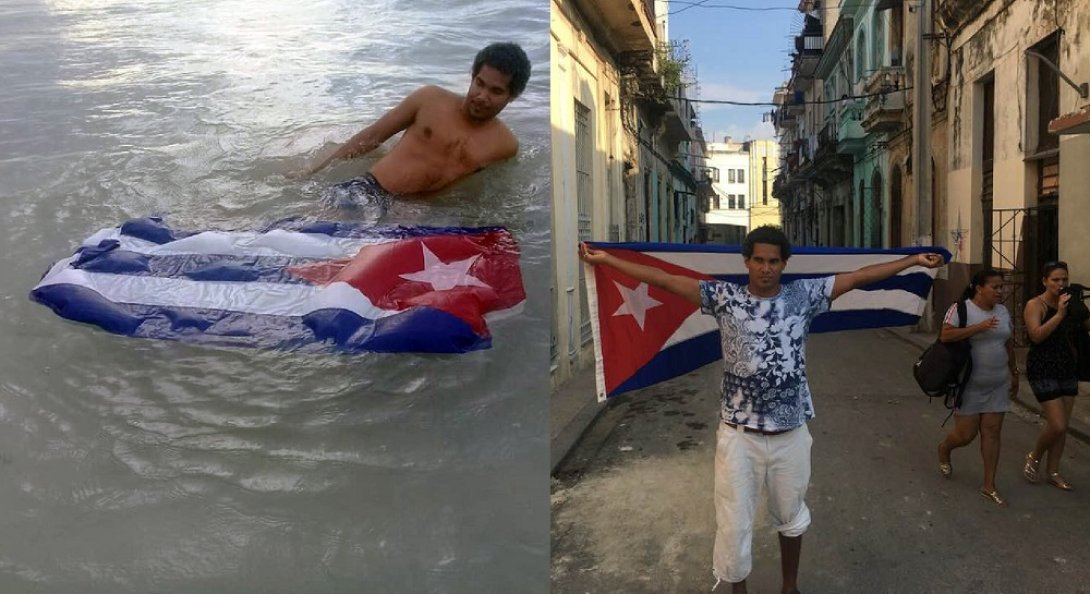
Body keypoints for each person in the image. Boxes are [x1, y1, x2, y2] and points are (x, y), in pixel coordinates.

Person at [579, 226, 944, 594]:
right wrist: (609, 260)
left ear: (784, 264)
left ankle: (790, 587)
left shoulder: (805, 295)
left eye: (773, 261)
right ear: (747, 262)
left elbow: (860, 277)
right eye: (759, 260)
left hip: (791, 435)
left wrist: (912, 260)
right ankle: (739, 591)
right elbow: (666, 279)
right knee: (734, 523)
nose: (766, 268)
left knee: (791, 516)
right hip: (739, 437)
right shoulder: (724, 297)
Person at [300, 42, 530, 214]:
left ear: (513, 96)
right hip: (367, 191)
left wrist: (424, 210)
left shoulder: (505, 145)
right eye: (479, 83)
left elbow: (470, 188)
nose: (482, 96)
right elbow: (372, 136)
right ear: (472, 77)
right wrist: (313, 172)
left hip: (415, 213)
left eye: (495, 91)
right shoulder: (430, 99)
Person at [935, 269, 1017, 507]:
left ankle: (989, 484)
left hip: (998, 383)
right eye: (996, 287)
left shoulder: (1002, 311)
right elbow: (946, 336)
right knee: (965, 435)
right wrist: (978, 327)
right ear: (979, 288)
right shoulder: (961, 308)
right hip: (967, 386)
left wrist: (1014, 372)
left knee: (992, 433)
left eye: (1002, 287)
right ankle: (944, 449)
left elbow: (1008, 342)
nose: (1001, 291)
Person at [1022, 261, 1090, 491]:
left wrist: (1080, 307)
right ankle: (1034, 456)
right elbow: (1036, 336)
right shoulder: (1035, 305)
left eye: (1064, 280)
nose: (1061, 284)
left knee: (1064, 426)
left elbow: (1086, 327)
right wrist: (1060, 313)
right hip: (1042, 367)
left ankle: (1053, 471)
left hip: (1066, 365)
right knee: (1057, 425)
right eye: (1055, 280)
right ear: (1044, 281)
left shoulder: (1070, 303)